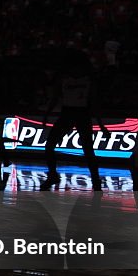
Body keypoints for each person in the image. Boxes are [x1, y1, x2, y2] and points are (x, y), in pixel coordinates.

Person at [39, 50, 106, 191]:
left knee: (88, 150)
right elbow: (55, 97)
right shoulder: (64, 79)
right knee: (49, 145)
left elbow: (93, 103)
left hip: (82, 113)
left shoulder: (89, 80)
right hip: (67, 113)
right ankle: (52, 175)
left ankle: (96, 180)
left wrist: (101, 125)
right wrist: (47, 114)